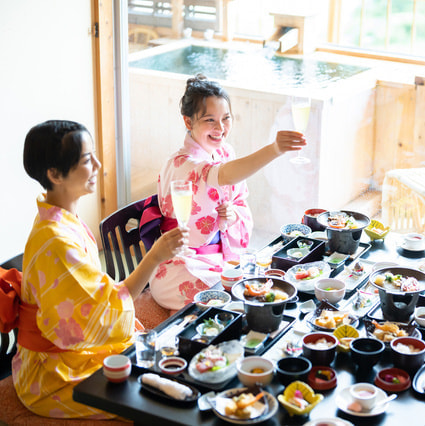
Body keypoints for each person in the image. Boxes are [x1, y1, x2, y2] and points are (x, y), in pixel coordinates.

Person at [11, 120, 188, 419]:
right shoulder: (55, 240)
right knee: (149, 398)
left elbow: (98, 298)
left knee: (167, 360)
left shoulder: (61, 220)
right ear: (54, 174)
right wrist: (154, 257)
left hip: (72, 349)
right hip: (51, 374)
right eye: (86, 159)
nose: (97, 165)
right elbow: (104, 310)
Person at [147, 74, 306, 311]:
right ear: (188, 122)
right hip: (179, 264)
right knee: (230, 297)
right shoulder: (183, 163)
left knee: (252, 284)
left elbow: (238, 199)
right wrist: (274, 149)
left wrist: (231, 215)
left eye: (226, 118)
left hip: (216, 257)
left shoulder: (224, 152)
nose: (220, 128)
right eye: (210, 120)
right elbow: (224, 175)